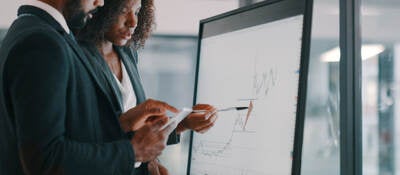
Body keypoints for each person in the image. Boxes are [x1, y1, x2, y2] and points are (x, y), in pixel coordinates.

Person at [0, 0, 178, 174]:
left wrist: (125, 123)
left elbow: (68, 130)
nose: (100, 3)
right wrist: (133, 152)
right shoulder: (43, 42)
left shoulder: (31, 29)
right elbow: (46, 159)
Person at [76, 0, 218, 174]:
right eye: (123, 11)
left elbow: (137, 128)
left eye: (136, 12)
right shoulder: (77, 56)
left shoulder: (128, 53)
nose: (133, 22)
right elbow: (91, 134)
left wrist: (182, 123)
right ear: (101, 8)